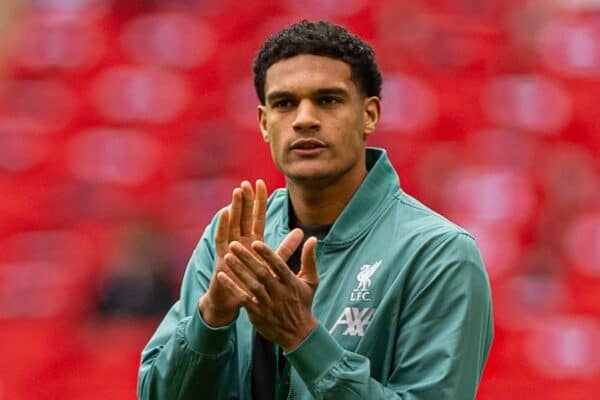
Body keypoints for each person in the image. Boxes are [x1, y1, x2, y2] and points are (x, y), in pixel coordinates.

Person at [138, 20, 493, 399]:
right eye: (284, 103)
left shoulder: (438, 254)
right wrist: (211, 319)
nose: (304, 118)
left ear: (369, 115)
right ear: (264, 123)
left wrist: (302, 339)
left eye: (328, 100)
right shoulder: (231, 240)